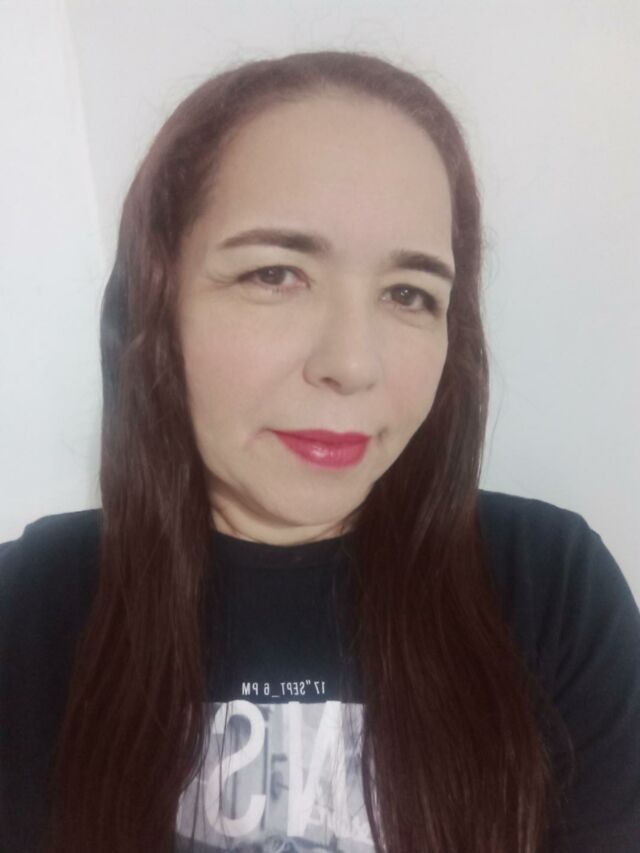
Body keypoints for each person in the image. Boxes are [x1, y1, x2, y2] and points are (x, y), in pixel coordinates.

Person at [0, 49, 639, 853]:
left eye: (409, 293)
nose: (352, 363)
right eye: (275, 274)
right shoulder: (29, 604)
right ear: (155, 305)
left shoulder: (552, 588)